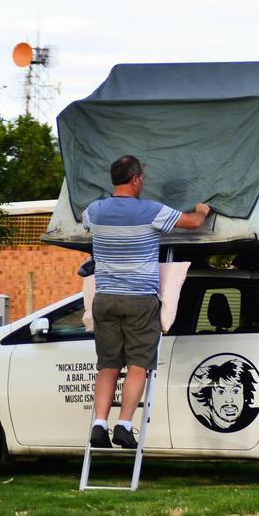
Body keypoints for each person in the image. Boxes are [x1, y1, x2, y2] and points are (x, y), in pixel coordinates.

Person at [84, 155, 211, 449]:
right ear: (136, 179)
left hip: (105, 299)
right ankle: (125, 426)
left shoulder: (95, 211)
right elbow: (191, 223)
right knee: (138, 365)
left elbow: (85, 222)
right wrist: (202, 211)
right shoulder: (150, 211)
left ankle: (99, 425)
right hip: (139, 300)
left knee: (108, 366)